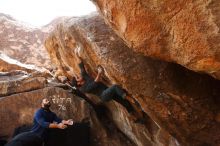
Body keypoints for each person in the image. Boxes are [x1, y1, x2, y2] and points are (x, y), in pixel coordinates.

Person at [6, 98, 73, 146]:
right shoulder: (39, 112)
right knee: (18, 142)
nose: (48, 101)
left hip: (44, 138)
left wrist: (66, 122)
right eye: (46, 100)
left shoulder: (52, 114)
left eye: (48, 100)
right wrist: (58, 126)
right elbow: (43, 124)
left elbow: (59, 120)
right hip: (34, 135)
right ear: (42, 104)